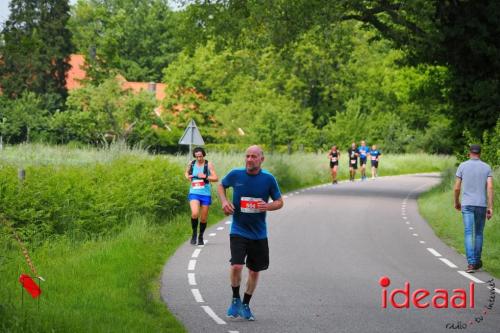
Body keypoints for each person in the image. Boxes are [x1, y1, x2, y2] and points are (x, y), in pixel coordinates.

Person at [217, 145, 284, 321]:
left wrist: (267, 206)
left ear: (261, 159)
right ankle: (235, 298)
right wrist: (224, 201)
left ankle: (246, 304)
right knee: (236, 265)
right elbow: (221, 185)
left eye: (254, 156)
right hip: (238, 229)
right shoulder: (235, 174)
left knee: (254, 271)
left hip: (259, 234)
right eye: (247, 156)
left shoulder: (268, 179)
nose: (249, 159)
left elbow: (279, 202)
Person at [454, 144, 494, 273]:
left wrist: (456, 202)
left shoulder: (462, 166)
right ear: (480, 154)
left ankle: (471, 264)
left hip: (467, 204)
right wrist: (490, 207)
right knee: (478, 234)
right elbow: (490, 187)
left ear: (469, 153)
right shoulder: (487, 167)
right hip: (481, 205)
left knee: (468, 232)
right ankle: (476, 261)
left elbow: (456, 188)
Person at [185, 147, 218, 245]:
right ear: (194, 156)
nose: (199, 158)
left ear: (204, 155)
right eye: (197, 156)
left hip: (205, 194)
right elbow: (186, 173)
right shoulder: (192, 164)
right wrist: (188, 177)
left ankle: (201, 236)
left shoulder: (209, 165)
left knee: (203, 218)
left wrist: (206, 177)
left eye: (200, 156)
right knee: (195, 213)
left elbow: (216, 178)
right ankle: (194, 234)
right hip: (194, 192)